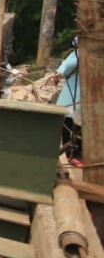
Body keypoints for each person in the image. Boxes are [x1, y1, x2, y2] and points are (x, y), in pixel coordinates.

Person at [52, 38, 82, 167]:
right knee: (73, 124)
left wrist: (59, 73)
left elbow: (67, 65)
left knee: (71, 124)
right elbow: (68, 64)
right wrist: (60, 73)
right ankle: (73, 154)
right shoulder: (79, 54)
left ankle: (74, 154)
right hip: (75, 95)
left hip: (77, 96)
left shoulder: (79, 53)